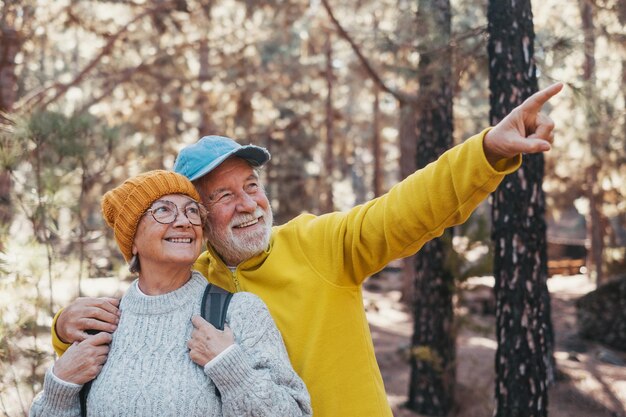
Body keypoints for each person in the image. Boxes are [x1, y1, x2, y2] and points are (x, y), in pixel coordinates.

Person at [51, 83, 564, 416]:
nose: (249, 203)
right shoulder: (188, 278)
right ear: (199, 217)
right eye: (224, 196)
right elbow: (129, 354)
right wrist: (63, 329)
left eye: (251, 185)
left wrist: (487, 152)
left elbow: (410, 209)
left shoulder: (320, 243)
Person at [32, 170, 311, 417]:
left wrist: (231, 369)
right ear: (132, 240)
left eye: (192, 211)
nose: (184, 222)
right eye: (164, 211)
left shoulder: (238, 312)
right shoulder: (102, 324)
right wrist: (60, 385)